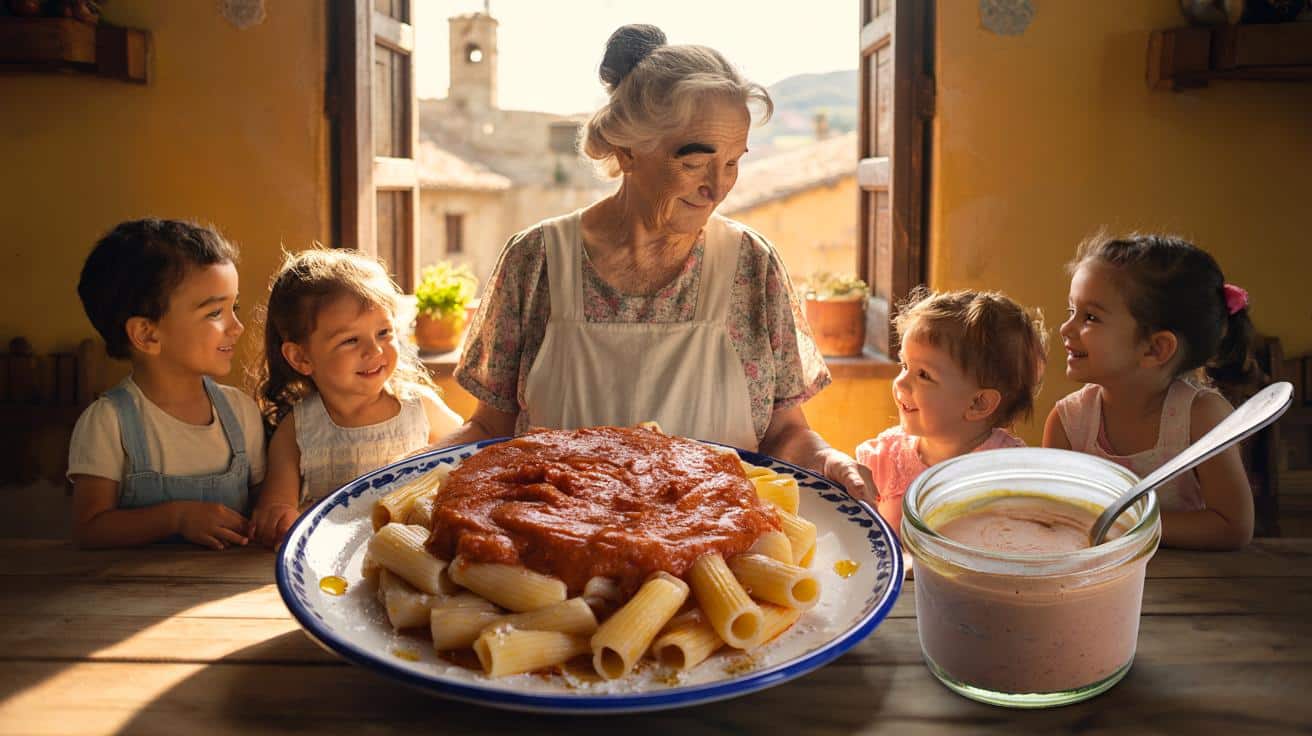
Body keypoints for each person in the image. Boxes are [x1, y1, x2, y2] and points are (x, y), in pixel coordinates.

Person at [443, 24, 865, 494]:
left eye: (732, 162)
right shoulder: (536, 261)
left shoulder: (751, 265)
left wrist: (827, 459)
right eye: (693, 162)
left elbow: (785, 433)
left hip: (718, 536)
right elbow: (488, 432)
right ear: (627, 152)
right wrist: (408, 473)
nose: (718, 186)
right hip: (558, 548)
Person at [1044, 233, 1262, 550]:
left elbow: (1233, 527)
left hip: (1191, 586)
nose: (1066, 328)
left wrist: (1123, 524)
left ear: (1155, 348)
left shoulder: (1201, 418)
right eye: (1071, 311)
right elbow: (1053, 516)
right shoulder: (1068, 422)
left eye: (1090, 317)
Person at [68, 219, 266, 550]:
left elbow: (263, 505)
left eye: (236, 307)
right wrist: (177, 518)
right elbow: (89, 529)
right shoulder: (107, 422)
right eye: (215, 313)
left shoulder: (241, 412)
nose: (237, 327)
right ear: (148, 334)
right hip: (128, 597)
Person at [249, 248, 462, 546]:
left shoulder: (419, 407)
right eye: (350, 340)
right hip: (332, 562)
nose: (374, 351)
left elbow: (468, 456)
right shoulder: (297, 430)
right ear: (300, 357)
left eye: (384, 332)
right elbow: (276, 509)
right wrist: (277, 518)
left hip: (417, 549)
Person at [856, 289, 1047, 535]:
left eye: (923, 375)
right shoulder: (882, 459)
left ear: (978, 403)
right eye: (904, 365)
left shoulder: (1009, 472)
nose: (900, 384)